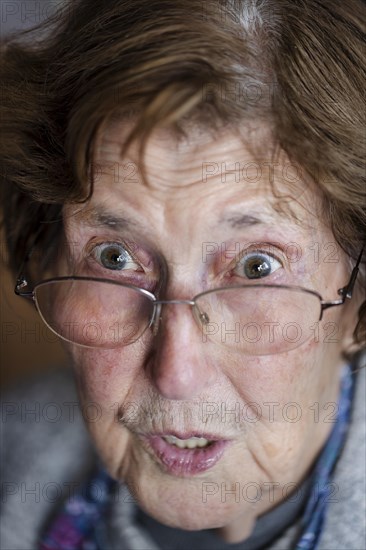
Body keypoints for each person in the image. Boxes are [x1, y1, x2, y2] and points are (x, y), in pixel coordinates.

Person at [1, 1, 365, 548]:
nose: (176, 373)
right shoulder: (11, 453)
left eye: (256, 267)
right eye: (114, 257)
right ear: (48, 254)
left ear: (358, 298)